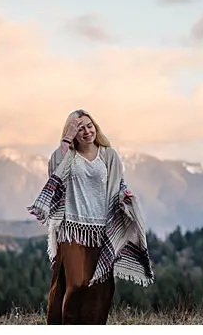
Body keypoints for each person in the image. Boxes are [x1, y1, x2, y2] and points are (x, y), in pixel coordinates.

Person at [27, 109, 154, 324]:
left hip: (102, 230)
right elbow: (54, 173)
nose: (86, 131)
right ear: (72, 132)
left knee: (101, 288)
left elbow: (117, 185)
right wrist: (66, 141)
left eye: (89, 126)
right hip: (72, 229)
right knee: (76, 283)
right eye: (79, 128)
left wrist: (125, 197)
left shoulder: (109, 155)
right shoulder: (66, 155)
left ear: (95, 126)